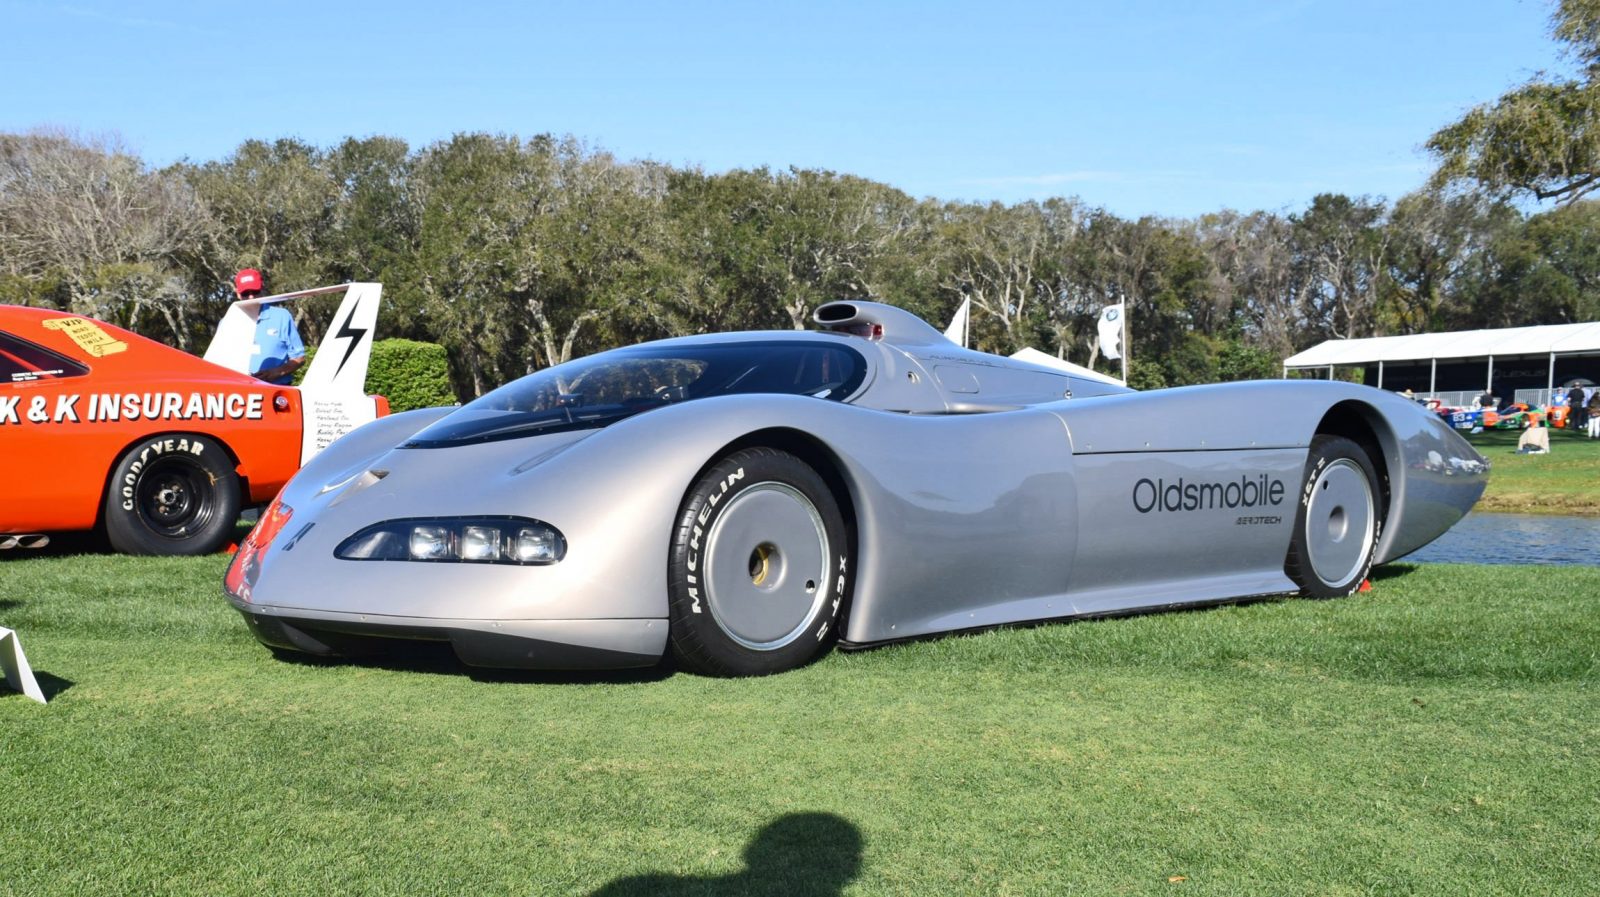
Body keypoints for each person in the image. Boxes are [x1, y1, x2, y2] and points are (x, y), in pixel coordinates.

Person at [235, 269, 305, 385]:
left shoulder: (282, 316)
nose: (251, 297)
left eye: (255, 291)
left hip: (276, 391)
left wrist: (276, 372)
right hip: (240, 393)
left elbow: (299, 357)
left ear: (262, 289)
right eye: (245, 293)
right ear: (238, 293)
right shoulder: (228, 321)